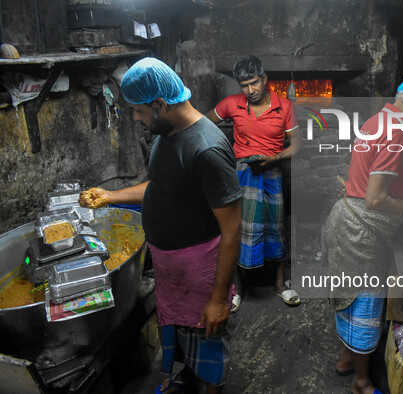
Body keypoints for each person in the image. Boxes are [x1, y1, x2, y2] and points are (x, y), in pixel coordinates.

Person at [78, 57, 242, 394]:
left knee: (206, 334)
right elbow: (160, 186)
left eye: (139, 111)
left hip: (200, 271)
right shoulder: (167, 135)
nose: (136, 119)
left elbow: (232, 230)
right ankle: (191, 374)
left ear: (160, 104)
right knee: (182, 332)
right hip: (173, 266)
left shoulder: (207, 149)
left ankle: (211, 386)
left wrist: (217, 299)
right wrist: (110, 196)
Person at [325, 76, 403, 394]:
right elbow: (376, 199)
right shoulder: (398, 131)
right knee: (366, 307)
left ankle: (345, 361)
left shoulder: (379, 119)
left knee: (347, 299)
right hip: (361, 233)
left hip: (345, 221)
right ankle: (362, 382)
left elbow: (389, 168)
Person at [206, 55, 302, 312]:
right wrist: (224, 156)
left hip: (271, 174)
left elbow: (297, 145)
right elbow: (203, 125)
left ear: (264, 79)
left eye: (254, 83)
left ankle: (281, 285)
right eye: (244, 85)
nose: (250, 90)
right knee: (240, 228)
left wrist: (274, 158)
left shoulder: (284, 106)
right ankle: (237, 288)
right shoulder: (231, 104)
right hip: (243, 174)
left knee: (276, 225)